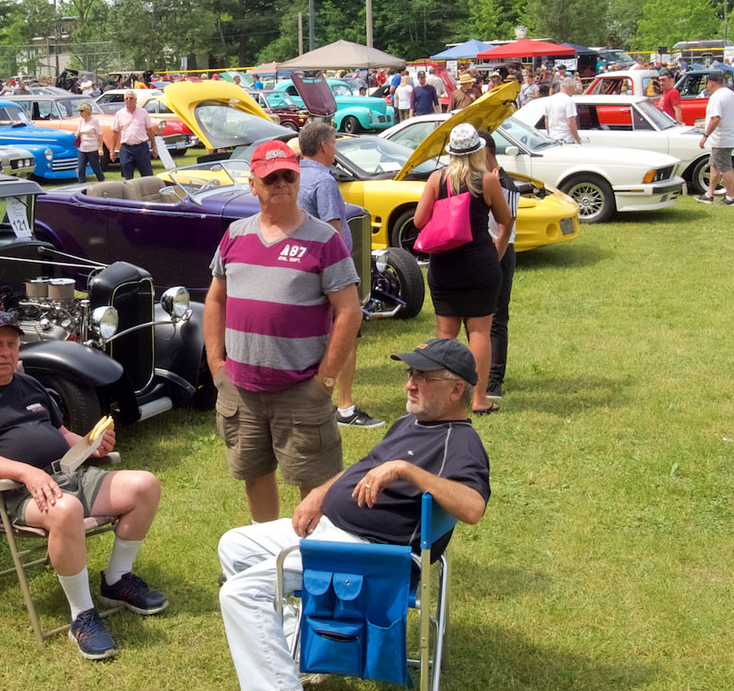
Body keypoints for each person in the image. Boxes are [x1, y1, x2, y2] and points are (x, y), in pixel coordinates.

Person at [217, 338, 491, 691]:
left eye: (423, 378)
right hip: (334, 533)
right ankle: (295, 647)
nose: (410, 384)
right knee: (234, 545)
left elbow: (473, 507)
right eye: (411, 374)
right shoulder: (412, 422)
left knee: (239, 593)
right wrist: (320, 494)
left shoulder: (462, 442)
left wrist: (406, 470)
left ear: (456, 390)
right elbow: (363, 468)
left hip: (368, 554)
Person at [0, 311, 167, 660]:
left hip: (65, 475)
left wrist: (91, 445)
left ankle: (117, 580)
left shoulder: (30, 385)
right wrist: (28, 474)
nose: (5, 352)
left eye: (11, 344)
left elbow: (61, 434)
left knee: (145, 485)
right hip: (6, 493)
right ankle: (82, 616)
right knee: (67, 509)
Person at [205, 141, 362, 524]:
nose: (280, 184)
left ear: (298, 180)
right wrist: (216, 364)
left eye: (288, 176)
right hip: (241, 389)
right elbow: (215, 300)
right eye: (270, 177)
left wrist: (325, 380)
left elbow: (349, 311)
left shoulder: (324, 240)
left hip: (301, 390)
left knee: (315, 485)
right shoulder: (235, 235)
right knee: (255, 475)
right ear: (253, 184)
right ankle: (266, 548)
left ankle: (313, 553)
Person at [412, 123, 512, 414]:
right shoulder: (488, 180)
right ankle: (479, 399)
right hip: (480, 263)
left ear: (451, 152)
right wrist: (498, 249)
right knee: (480, 331)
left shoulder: (437, 179)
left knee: (446, 334)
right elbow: (506, 219)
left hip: (445, 264)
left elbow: (418, 221)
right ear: (478, 151)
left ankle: (442, 395)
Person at [295, 122, 382, 430]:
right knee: (346, 336)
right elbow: (332, 231)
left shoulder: (296, 176)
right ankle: (344, 407)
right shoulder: (324, 181)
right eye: (334, 143)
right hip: (330, 272)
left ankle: (312, 402)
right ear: (324, 146)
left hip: (302, 268)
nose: (335, 149)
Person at [481, 134, 519, 401]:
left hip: (500, 252)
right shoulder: (481, 181)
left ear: (485, 152)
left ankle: (494, 379)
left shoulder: (506, 184)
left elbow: (506, 228)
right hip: (482, 252)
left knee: (496, 318)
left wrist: (494, 260)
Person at [697, 72, 734, 205]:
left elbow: (716, 118)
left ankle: (730, 198)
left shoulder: (716, 97)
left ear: (711, 83)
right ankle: (709, 194)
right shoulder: (730, 93)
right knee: (714, 166)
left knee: (725, 167)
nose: (707, 86)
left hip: (722, 138)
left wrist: (705, 135)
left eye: (707, 83)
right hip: (728, 136)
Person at [112, 92, 158, 179]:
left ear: (135, 100)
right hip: (126, 148)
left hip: (141, 147)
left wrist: (154, 145)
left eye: (131, 98)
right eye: (127, 98)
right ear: (124, 100)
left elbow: (149, 129)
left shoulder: (143, 112)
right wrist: (112, 150)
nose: (129, 100)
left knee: (147, 176)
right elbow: (115, 132)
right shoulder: (119, 114)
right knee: (127, 176)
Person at [74, 102, 106, 183]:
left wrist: (100, 148)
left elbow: (100, 135)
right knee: (81, 169)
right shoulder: (81, 121)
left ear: (87, 111)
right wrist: (77, 134)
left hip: (92, 149)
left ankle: (102, 181)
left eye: (82, 111)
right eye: (79, 111)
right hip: (82, 149)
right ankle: (81, 185)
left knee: (95, 168)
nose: (80, 113)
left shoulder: (94, 121)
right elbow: (78, 132)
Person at [545, 77, 581, 144]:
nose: (574, 92)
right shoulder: (569, 101)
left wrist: (549, 134)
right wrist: (578, 139)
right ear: (570, 87)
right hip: (566, 138)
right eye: (574, 89)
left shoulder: (549, 100)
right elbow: (571, 123)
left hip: (553, 138)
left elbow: (546, 120)